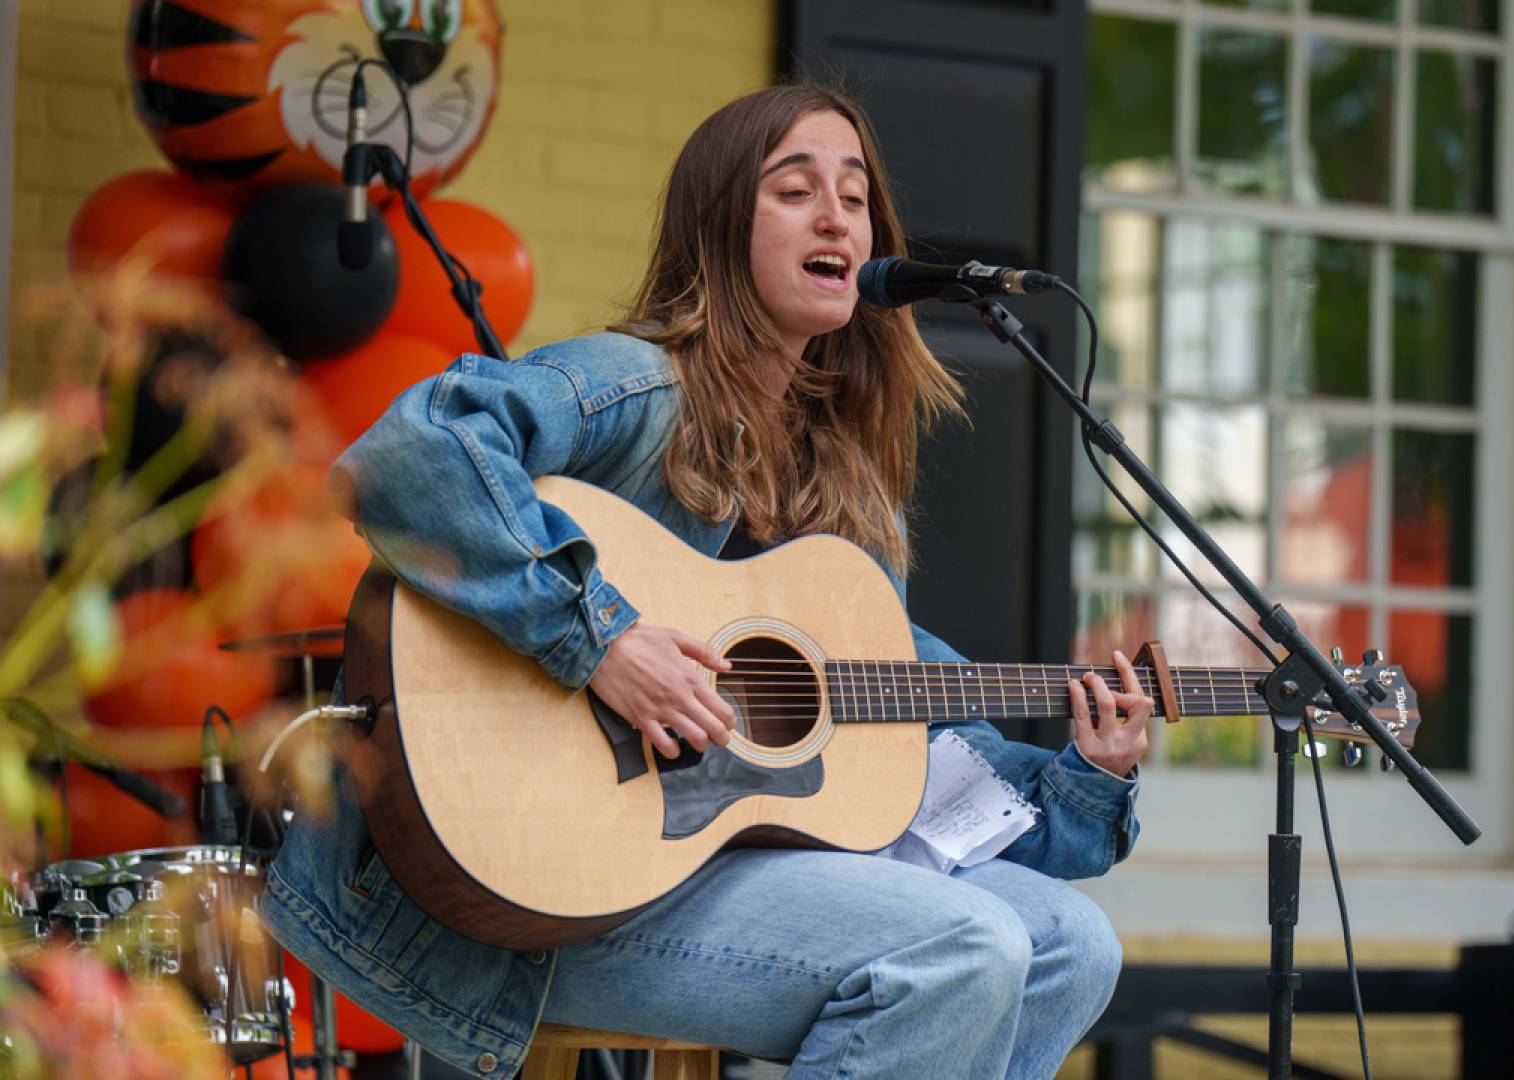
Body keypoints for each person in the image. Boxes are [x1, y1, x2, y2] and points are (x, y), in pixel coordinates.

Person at [261, 82, 1154, 1079]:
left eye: (855, 197)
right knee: (962, 946)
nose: (836, 218)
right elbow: (407, 455)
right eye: (795, 190)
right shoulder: (639, 388)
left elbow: (914, 747)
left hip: (726, 867)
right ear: (723, 227)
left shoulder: (847, 484)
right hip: (541, 887)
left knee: (1072, 946)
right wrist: (599, 638)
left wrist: (1088, 776)